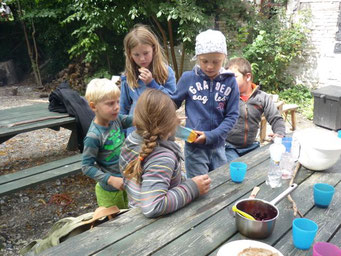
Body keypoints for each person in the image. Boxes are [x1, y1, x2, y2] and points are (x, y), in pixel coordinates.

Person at [119, 89, 211, 218]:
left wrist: (170, 126)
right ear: (168, 125)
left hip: (134, 211)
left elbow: (159, 137)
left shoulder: (131, 140)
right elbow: (153, 207)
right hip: (159, 224)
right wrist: (193, 188)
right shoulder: (162, 158)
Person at [171, 29, 240, 178]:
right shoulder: (188, 78)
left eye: (216, 61)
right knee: (197, 187)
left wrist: (212, 135)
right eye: (204, 61)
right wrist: (168, 116)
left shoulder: (230, 81)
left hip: (219, 145)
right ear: (197, 58)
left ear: (224, 58)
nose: (210, 66)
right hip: (194, 146)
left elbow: (232, 115)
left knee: (218, 183)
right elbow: (172, 103)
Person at [82, 78, 133, 209]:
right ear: (93, 106)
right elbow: (86, 167)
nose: (116, 107)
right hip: (109, 191)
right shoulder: (94, 136)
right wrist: (110, 179)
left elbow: (138, 119)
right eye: (110, 104)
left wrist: (163, 118)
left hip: (127, 183)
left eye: (117, 101)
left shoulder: (116, 120)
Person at [225, 57, 286, 163]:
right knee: (235, 171)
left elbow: (276, 118)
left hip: (252, 147)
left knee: (265, 166)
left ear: (247, 76)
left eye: (233, 77)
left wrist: (279, 133)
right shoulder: (225, 97)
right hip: (229, 148)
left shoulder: (262, 98)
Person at [120, 24, 176, 135]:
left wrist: (152, 83)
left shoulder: (166, 72)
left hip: (160, 133)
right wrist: (122, 136)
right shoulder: (128, 76)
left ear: (154, 49)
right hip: (134, 135)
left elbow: (173, 102)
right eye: (136, 54)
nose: (142, 58)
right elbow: (123, 108)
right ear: (130, 55)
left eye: (146, 53)